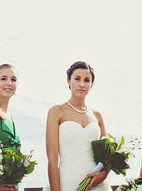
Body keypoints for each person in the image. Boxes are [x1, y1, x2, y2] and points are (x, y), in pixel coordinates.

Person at [45, 61, 110, 191]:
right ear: (69, 81)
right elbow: (52, 159)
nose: (82, 84)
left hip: (97, 185)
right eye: (77, 79)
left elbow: (108, 155)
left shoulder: (97, 115)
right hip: (68, 182)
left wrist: (104, 174)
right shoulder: (56, 112)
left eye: (87, 80)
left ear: (91, 85)